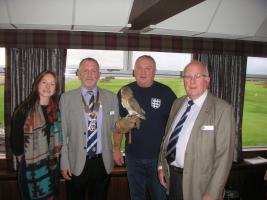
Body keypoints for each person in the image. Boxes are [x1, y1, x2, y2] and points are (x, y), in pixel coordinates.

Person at [158, 60, 235, 200]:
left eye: (197, 76)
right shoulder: (177, 103)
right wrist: (161, 166)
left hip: (201, 186)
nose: (192, 81)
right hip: (172, 178)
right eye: (188, 77)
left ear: (207, 80)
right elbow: (167, 138)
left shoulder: (222, 109)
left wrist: (212, 193)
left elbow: (224, 157)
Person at [113, 55, 177, 200]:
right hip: (133, 157)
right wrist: (116, 148)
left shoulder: (166, 93)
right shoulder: (125, 91)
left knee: (159, 197)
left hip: (158, 159)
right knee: (136, 197)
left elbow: (175, 126)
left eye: (148, 68)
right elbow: (117, 125)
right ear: (134, 71)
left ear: (154, 71)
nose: (143, 72)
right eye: (139, 68)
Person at [60, 57, 119, 200]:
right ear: (79, 74)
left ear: (99, 75)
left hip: (102, 162)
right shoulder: (66, 98)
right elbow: (61, 133)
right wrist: (64, 162)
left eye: (93, 71)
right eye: (85, 71)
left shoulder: (111, 98)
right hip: (76, 162)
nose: (89, 74)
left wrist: (117, 147)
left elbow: (116, 128)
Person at [10, 70, 62, 200]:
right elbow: (16, 140)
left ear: (56, 89)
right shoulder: (24, 109)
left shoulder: (57, 111)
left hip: (52, 166)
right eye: (44, 82)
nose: (47, 87)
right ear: (37, 84)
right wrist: (25, 160)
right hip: (30, 166)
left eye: (52, 84)